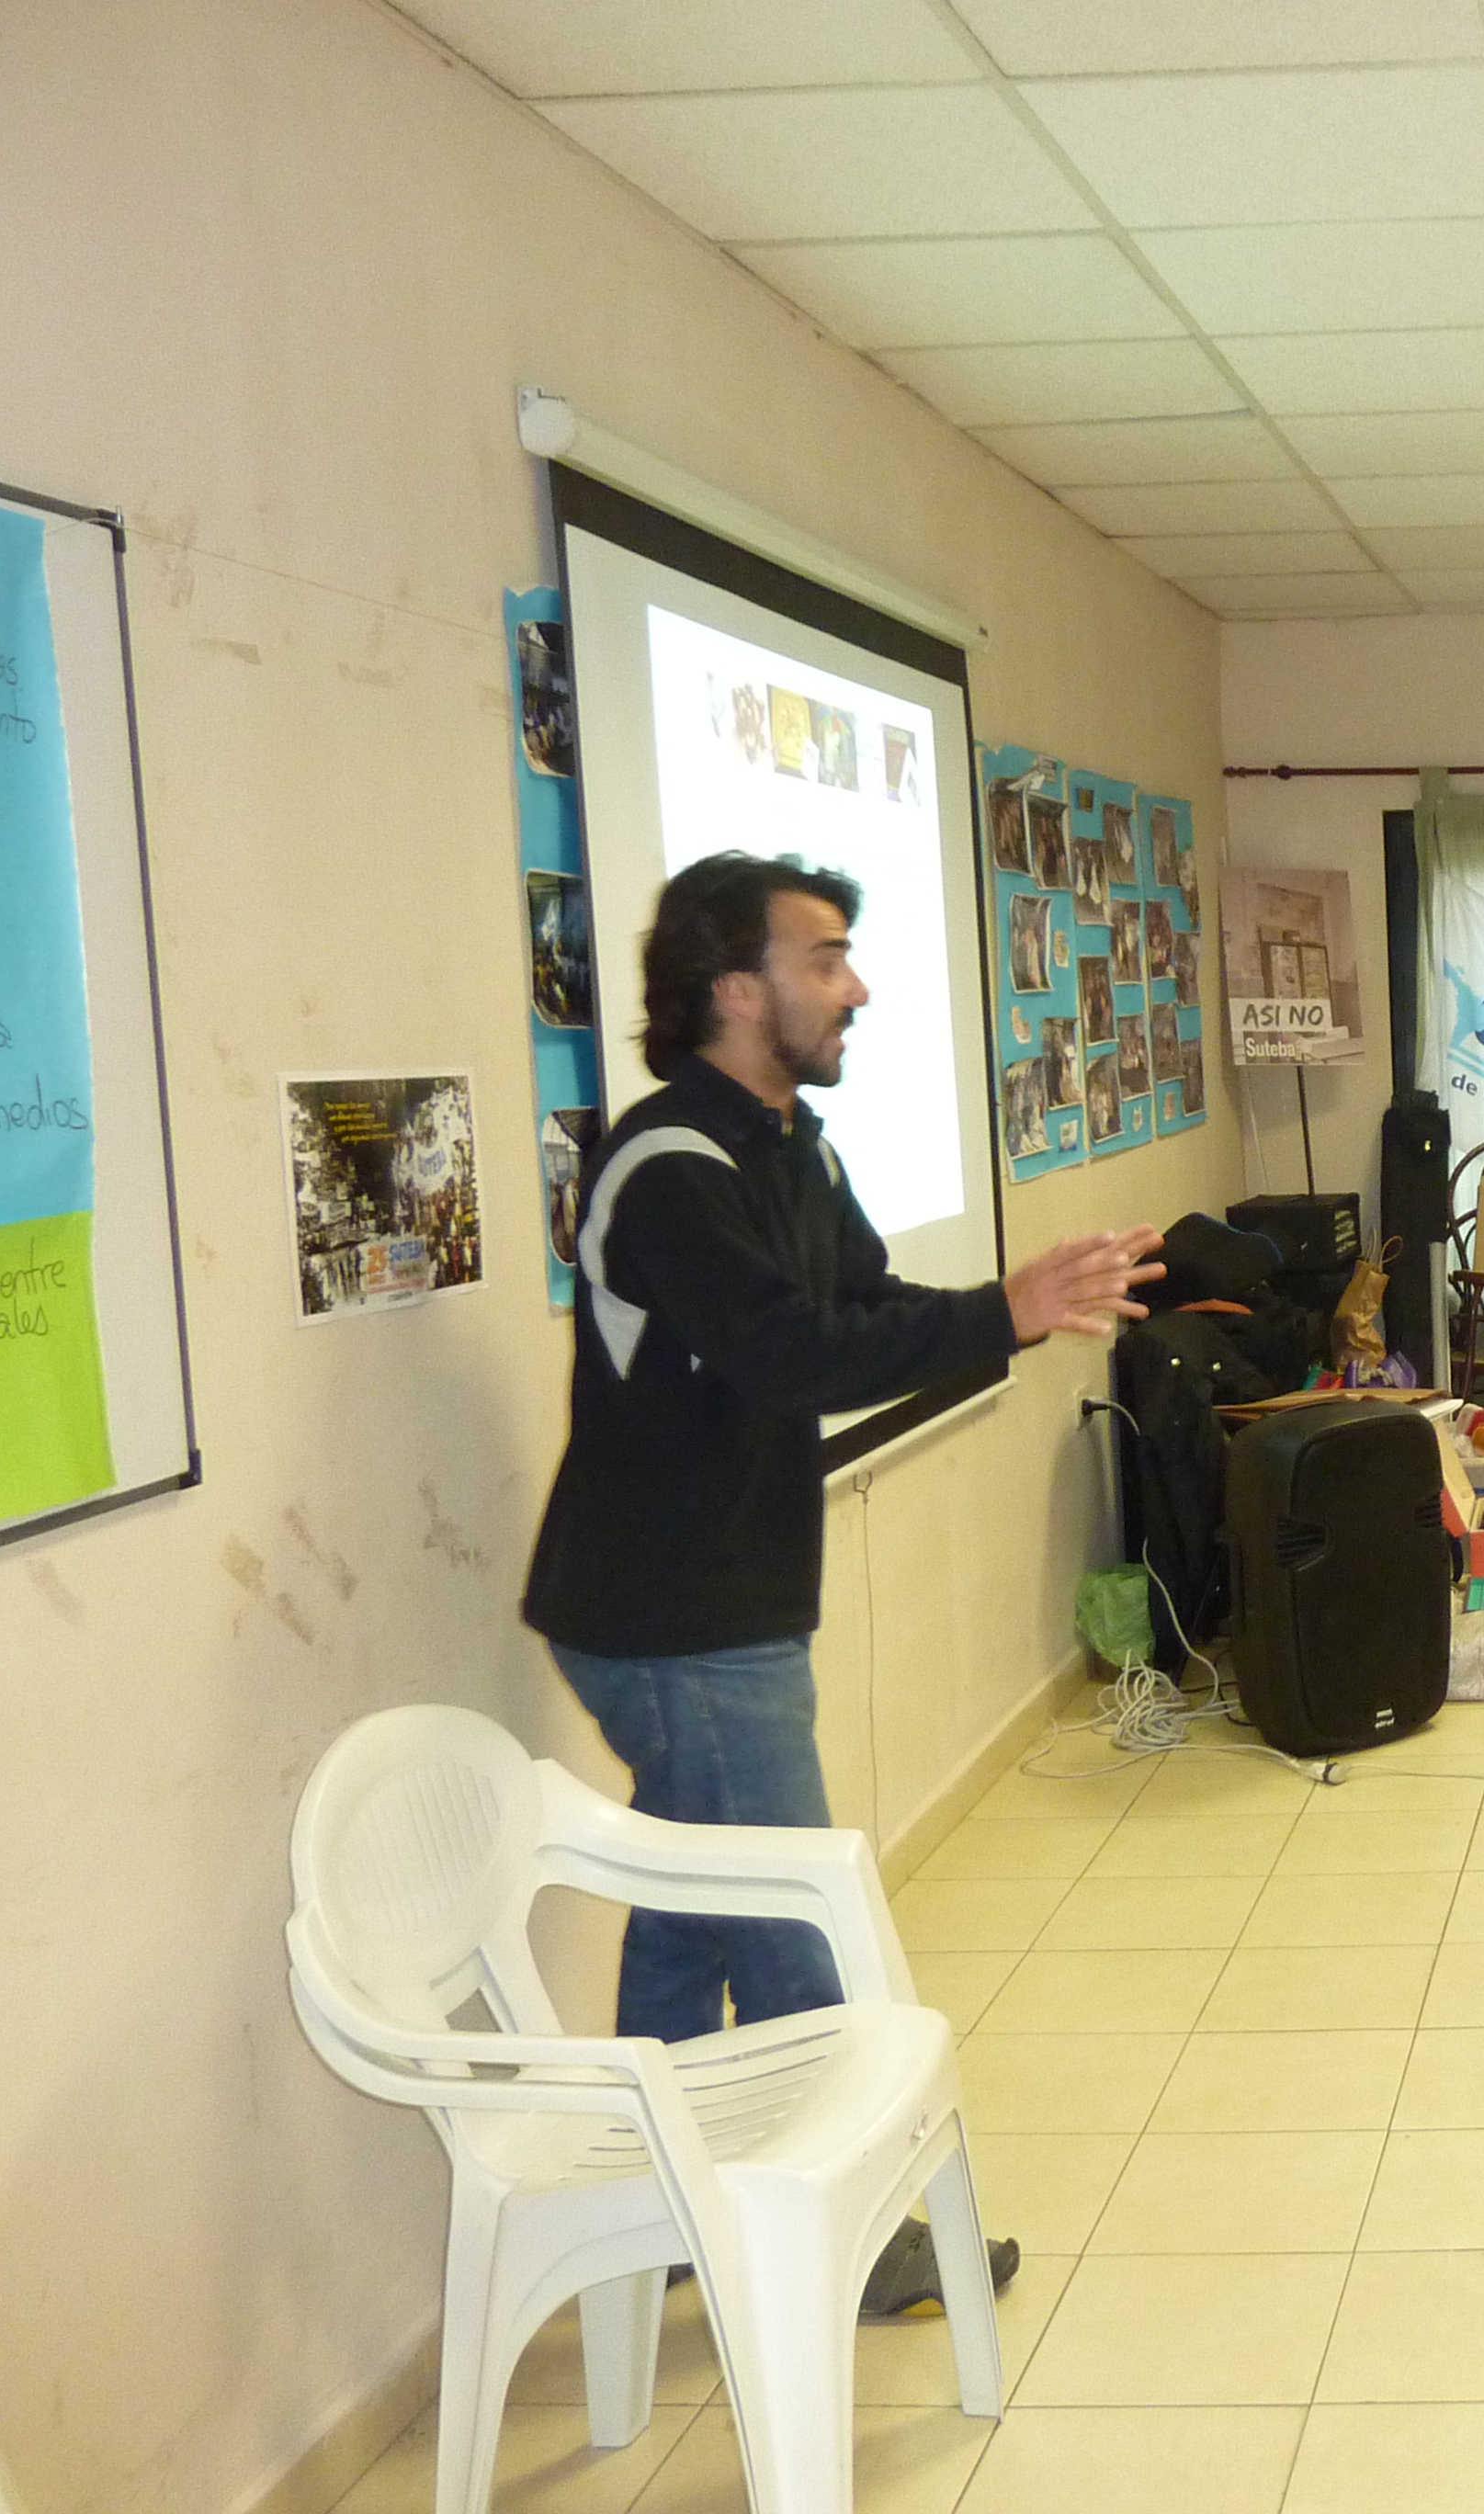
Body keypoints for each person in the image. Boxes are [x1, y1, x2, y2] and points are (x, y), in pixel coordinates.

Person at [522, 851, 1162, 2314]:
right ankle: (865, 2242)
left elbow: (865, 1302)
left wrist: (1011, 1308)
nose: (857, 987)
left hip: (718, 1602)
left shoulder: (789, 1144)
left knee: (692, 1906)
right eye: (824, 959)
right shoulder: (669, 1171)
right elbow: (792, 1355)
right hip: (676, 1618)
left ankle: (653, 2212)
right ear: (735, 990)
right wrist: (1005, 1312)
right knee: (793, 1926)